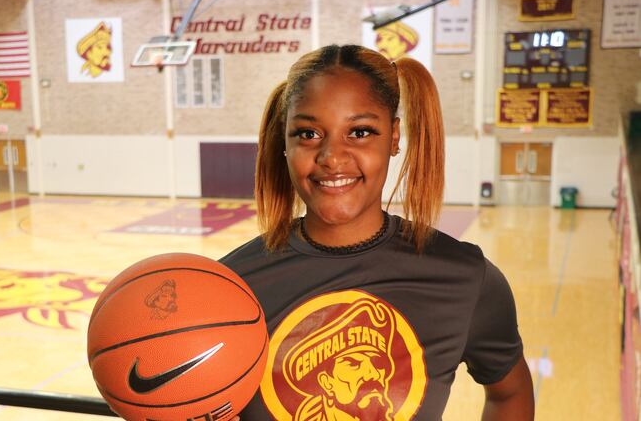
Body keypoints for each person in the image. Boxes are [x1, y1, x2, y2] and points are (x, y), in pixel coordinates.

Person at [220, 44, 533, 420]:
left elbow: (509, 394)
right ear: (284, 143)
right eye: (307, 134)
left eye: (360, 131)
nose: (331, 157)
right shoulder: (229, 290)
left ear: (395, 136)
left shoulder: (466, 279)